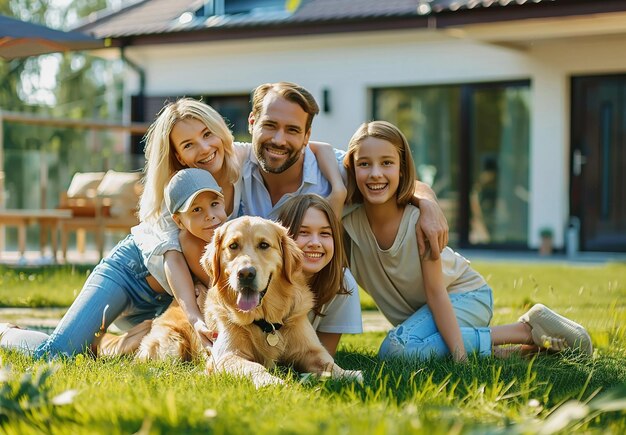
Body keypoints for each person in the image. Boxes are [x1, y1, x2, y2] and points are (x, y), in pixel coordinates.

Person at [341, 120, 593, 361]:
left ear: (402, 168)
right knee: (410, 349)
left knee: (395, 350)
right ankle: (518, 351)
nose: (375, 174)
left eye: (386, 163)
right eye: (364, 164)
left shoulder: (418, 221)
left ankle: (524, 330)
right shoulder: (349, 225)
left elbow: (436, 293)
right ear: (351, 167)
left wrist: (460, 359)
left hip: (465, 298)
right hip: (422, 316)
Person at [134, 97, 347, 349]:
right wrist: (195, 310)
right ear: (178, 156)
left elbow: (335, 152)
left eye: (207, 135)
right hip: (142, 274)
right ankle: (121, 340)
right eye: (188, 144)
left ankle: (127, 338)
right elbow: (172, 257)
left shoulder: (243, 156)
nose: (203, 148)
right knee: (77, 338)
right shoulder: (175, 194)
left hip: (182, 295)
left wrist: (339, 190)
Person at [240, 81, 449, 259]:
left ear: (306, 136)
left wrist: (429, 205)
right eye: (270, 125)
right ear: (252, 122)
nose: (279, 139)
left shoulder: (337, 171)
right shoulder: (235, 163)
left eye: (292, 130)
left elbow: (405, 184)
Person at [276, 194, 362, 356]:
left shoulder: (341, 283)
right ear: (284, 239)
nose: (315, 243)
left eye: (325, 234)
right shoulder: (264, 279)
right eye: (303, 232)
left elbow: (322, 358)